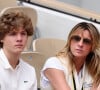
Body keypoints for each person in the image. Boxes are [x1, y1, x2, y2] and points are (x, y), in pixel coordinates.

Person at [40, 22, 100, 90]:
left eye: (86, 41)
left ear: (93, 46)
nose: (80, 44)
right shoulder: (54, 64)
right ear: (70, 40)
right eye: (77, 38)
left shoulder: (94, 69)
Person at [0, 6, 37, 90]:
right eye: (13, 34)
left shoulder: (30, 71)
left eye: (23, 34)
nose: (19, 39)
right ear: (1, 38)